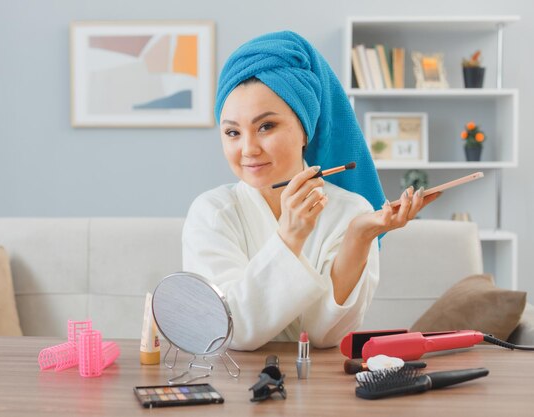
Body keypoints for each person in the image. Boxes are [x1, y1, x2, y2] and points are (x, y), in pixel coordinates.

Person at [182, 31, 439, 351]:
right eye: (233, 132)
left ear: (305, 129)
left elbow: (322, 336)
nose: (248, 149)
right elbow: (230, 329)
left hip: (320, 389)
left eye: (266, 126)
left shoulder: (353, 211)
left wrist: (358, 239)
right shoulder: (210, 212)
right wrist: (289, 237)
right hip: (233, 389)